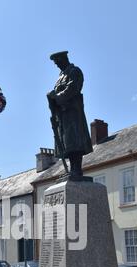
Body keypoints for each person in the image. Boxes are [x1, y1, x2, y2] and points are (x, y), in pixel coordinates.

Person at [47, 51, 93, 179]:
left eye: (57, 62)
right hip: (62, 115)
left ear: (64, 59)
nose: (56, 65)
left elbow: (73, 89)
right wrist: (52, 100)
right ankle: (73, 169)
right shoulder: (60, 77)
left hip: (73, 113)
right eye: (55, 63)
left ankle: (77, 170)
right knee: (67, 144)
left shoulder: (75, 71)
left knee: (75, 142)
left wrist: (56, 97)